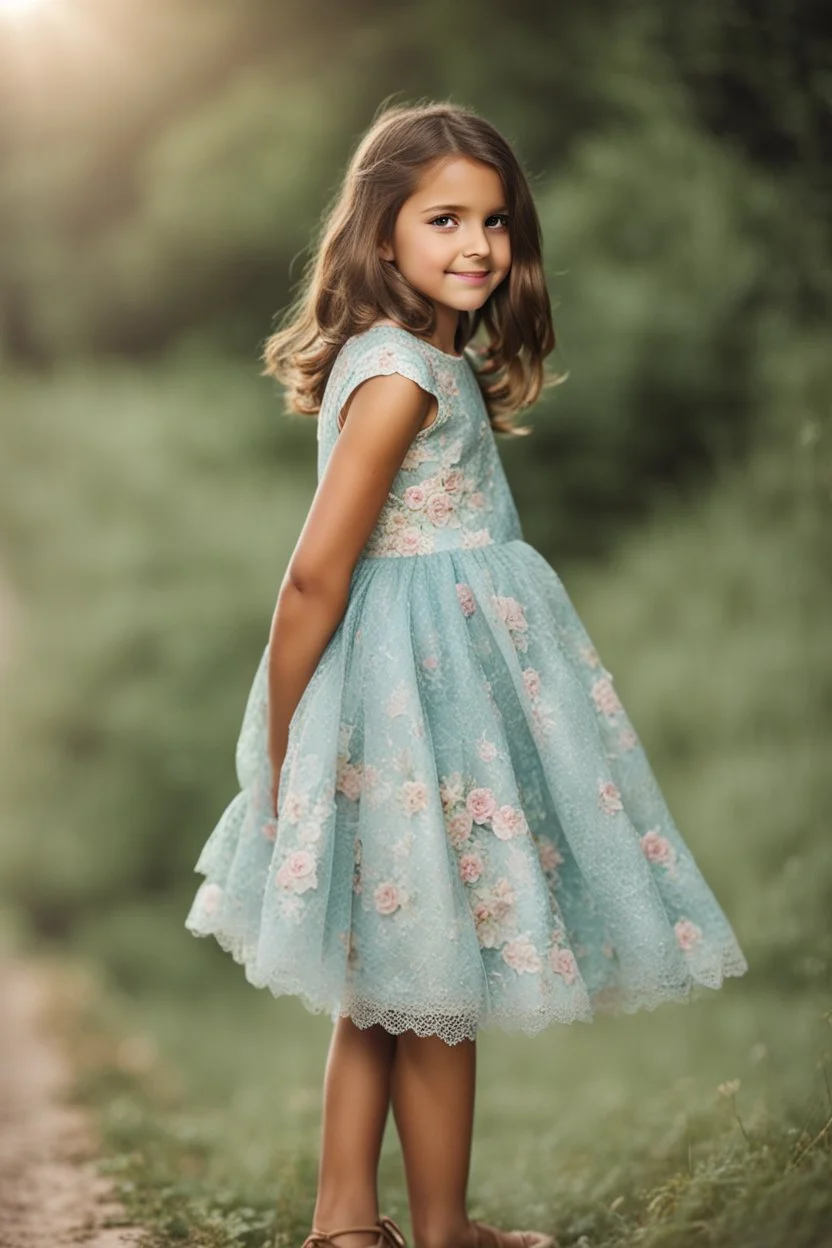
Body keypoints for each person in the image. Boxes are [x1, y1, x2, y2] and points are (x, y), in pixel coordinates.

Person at [185, 100, 748, 1248]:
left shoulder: (419, 359)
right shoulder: (401, 378)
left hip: (424, 696)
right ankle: (437, 1233)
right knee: (436, 979)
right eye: (444, 218)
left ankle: (347, 1222)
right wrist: (287, 740)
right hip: (408, 705)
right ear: (380, 231)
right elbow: (313, 577)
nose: (477, 245)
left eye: (494, 221)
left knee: (386, 975)